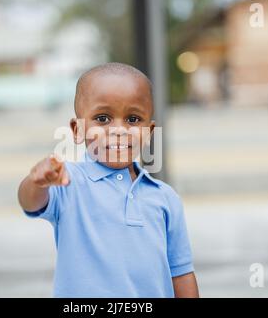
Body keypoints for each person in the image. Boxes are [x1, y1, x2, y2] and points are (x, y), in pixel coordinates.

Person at [18, 63, 199, 298]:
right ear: (77, 129)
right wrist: (36, 182)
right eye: (102, 118)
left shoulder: (165, 197)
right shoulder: (68, 182)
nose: (119, 130)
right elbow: (30, 202)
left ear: (149, 131)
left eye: (133, 119)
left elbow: (181, 273)